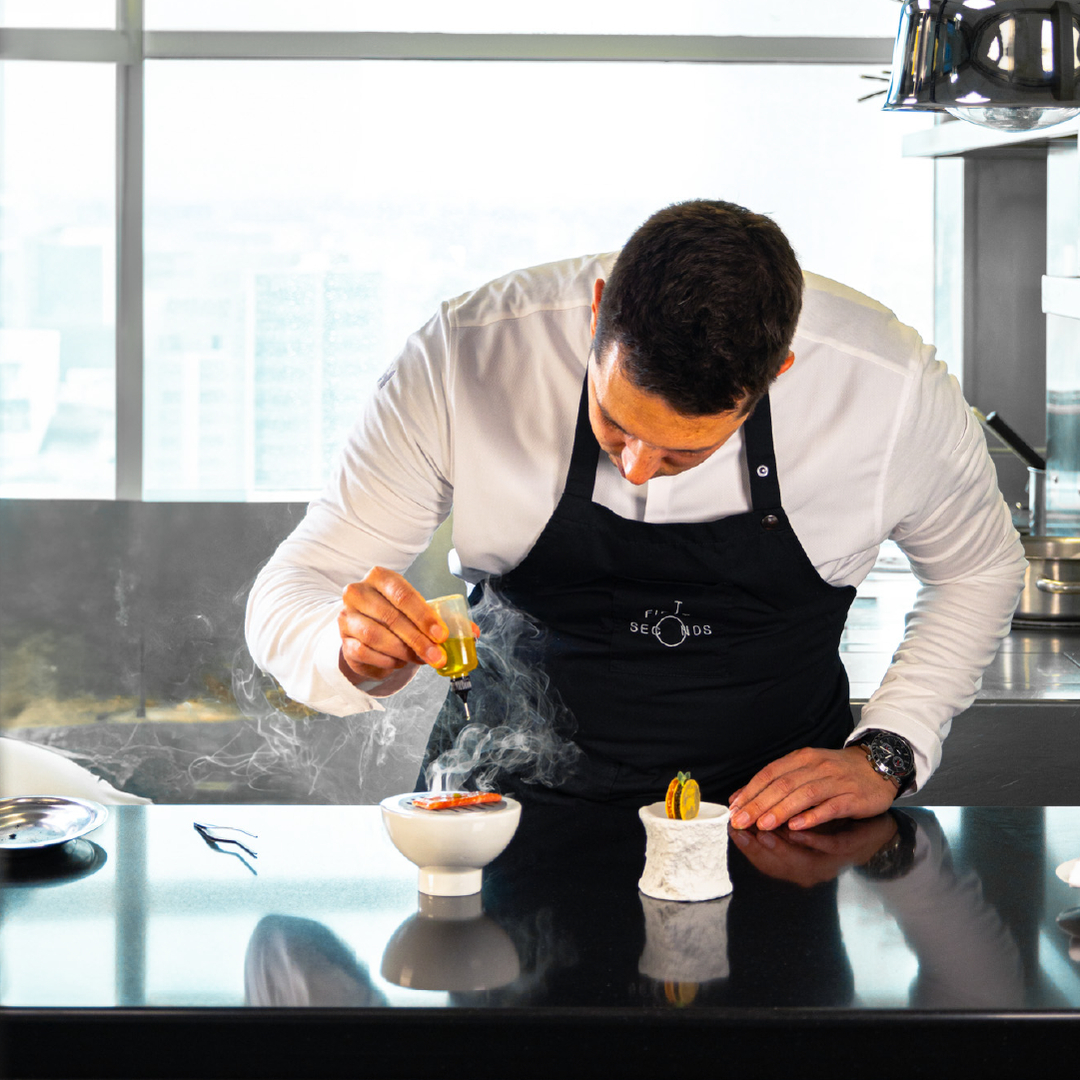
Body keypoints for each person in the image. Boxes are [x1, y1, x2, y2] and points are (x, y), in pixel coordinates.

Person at [246, 199, 1026, 829]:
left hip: (770, 827)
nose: (636, 468)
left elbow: (979, 568)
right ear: (596, 315)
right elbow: (299, 585)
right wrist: (345, 647)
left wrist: (889, 749)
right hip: (502, 812)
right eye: (614, 425)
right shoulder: (466, 356)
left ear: (777, 372)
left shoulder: (888, 389)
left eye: (684, 453)